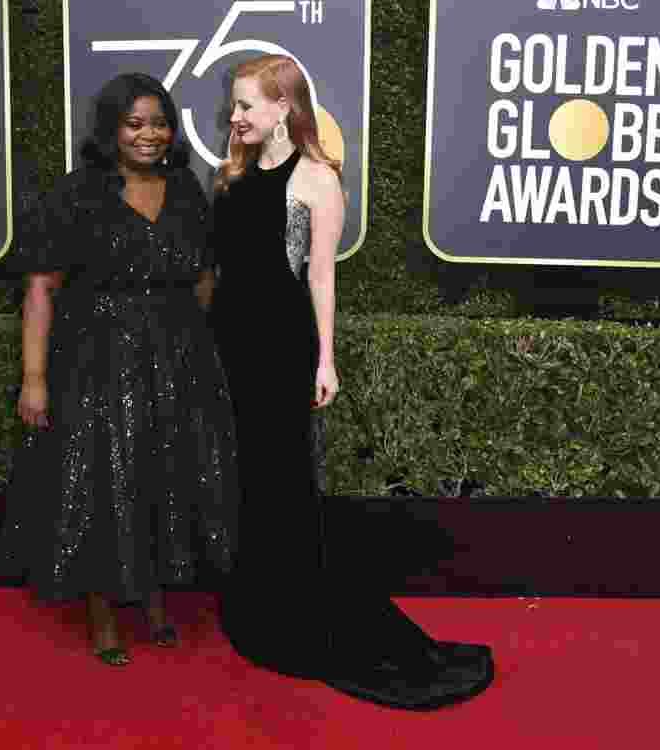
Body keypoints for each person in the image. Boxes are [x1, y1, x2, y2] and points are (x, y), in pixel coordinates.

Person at [209, 54, 494, 708]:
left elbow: (320, 278)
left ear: (285, 107)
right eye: (235, 104)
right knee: (249, 476)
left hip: (280, 346)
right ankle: (260, 610)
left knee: (284, 478)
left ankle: (299, 615)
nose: (237, 115)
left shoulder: (318, 181)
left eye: (248, 104)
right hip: (230, 342)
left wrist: (325, 359)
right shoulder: (230, 173)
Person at [0, 73, 239, 667]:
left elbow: (204, 276)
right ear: (110, 129)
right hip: (95, 362)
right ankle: (103, 610)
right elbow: (40, 290)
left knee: (163, 475)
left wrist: (178, 337)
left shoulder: (185, 189)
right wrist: (34, 378)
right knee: (102, 483)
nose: (149, 135)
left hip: (176, 361)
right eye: (135, 124)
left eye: (159, 122)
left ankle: (152, 597)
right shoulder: (77, 194)